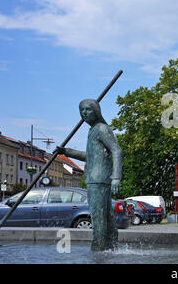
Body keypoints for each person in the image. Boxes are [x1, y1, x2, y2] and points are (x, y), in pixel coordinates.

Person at [56, 99, 123, 251]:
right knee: (107, 218)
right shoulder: (93, 130)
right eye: (82, 110)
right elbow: (90, 156)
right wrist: (66, 152)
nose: (84, 112)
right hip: (97, 179)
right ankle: (112, 249)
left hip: (97, 180)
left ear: (97, 111)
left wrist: (116, 177)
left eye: (88, 109)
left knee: (98, 218)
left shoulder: (101, 128)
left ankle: (98, 251)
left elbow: (117, 150)